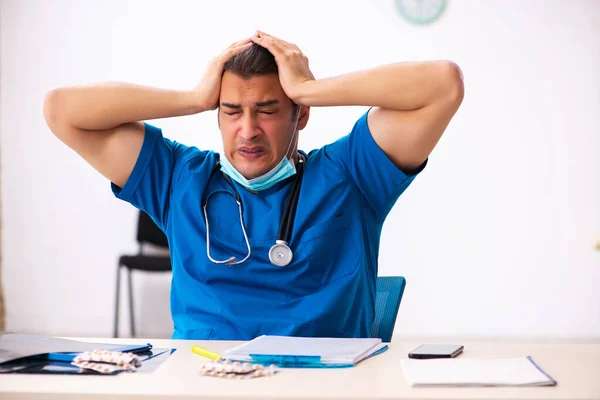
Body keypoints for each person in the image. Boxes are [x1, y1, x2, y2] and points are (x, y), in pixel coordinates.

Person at [43, 31, 464, 340]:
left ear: (301, 115)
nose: (247, 131)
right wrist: (192, 98)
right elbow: (61, 109)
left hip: (321, 387)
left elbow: (442, 84)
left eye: (266, 111)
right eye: (231, 112)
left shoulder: (352, 174)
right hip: (203, 384)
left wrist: (309, 88)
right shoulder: (178, 177)